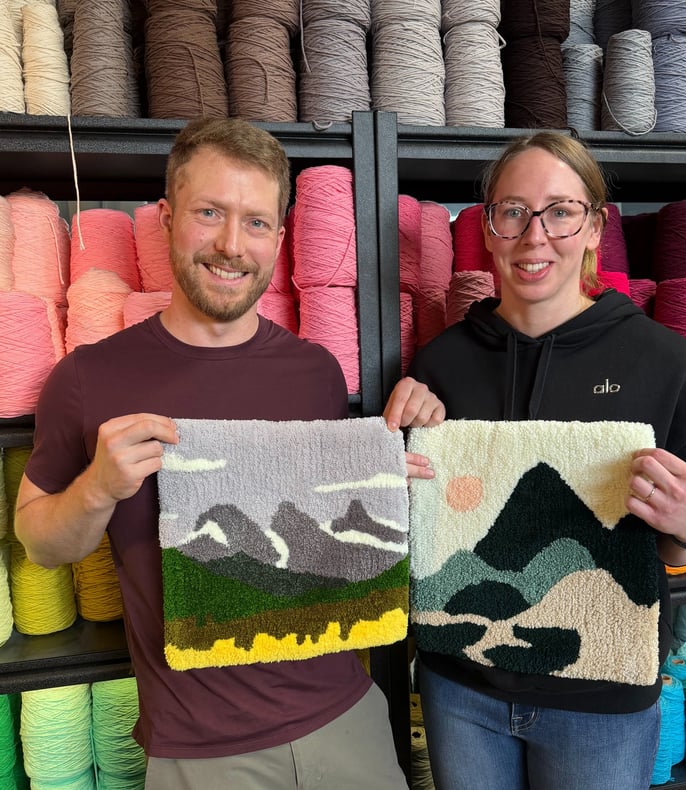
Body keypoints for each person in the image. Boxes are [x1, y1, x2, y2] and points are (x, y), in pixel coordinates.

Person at [14, 117, 441, 790]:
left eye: (255, 222)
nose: (231, 245)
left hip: (347, 718)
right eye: (209, 212)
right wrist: (97, 487)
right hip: (200, 750)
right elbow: (40, 544)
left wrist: (389, 480)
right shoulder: (88, 378)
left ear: (279, 238)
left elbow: (328, 536)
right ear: (167, 219)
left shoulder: (317, 372)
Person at [383, 131, 686, 790]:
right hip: (460, 687)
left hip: (601, 702)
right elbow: (412, 524)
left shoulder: (664, 363)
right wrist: (390, 455)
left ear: (595, 226)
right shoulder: (441, 364)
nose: (534, 235)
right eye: (513, 212)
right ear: (488, 229)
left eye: (560, 212)